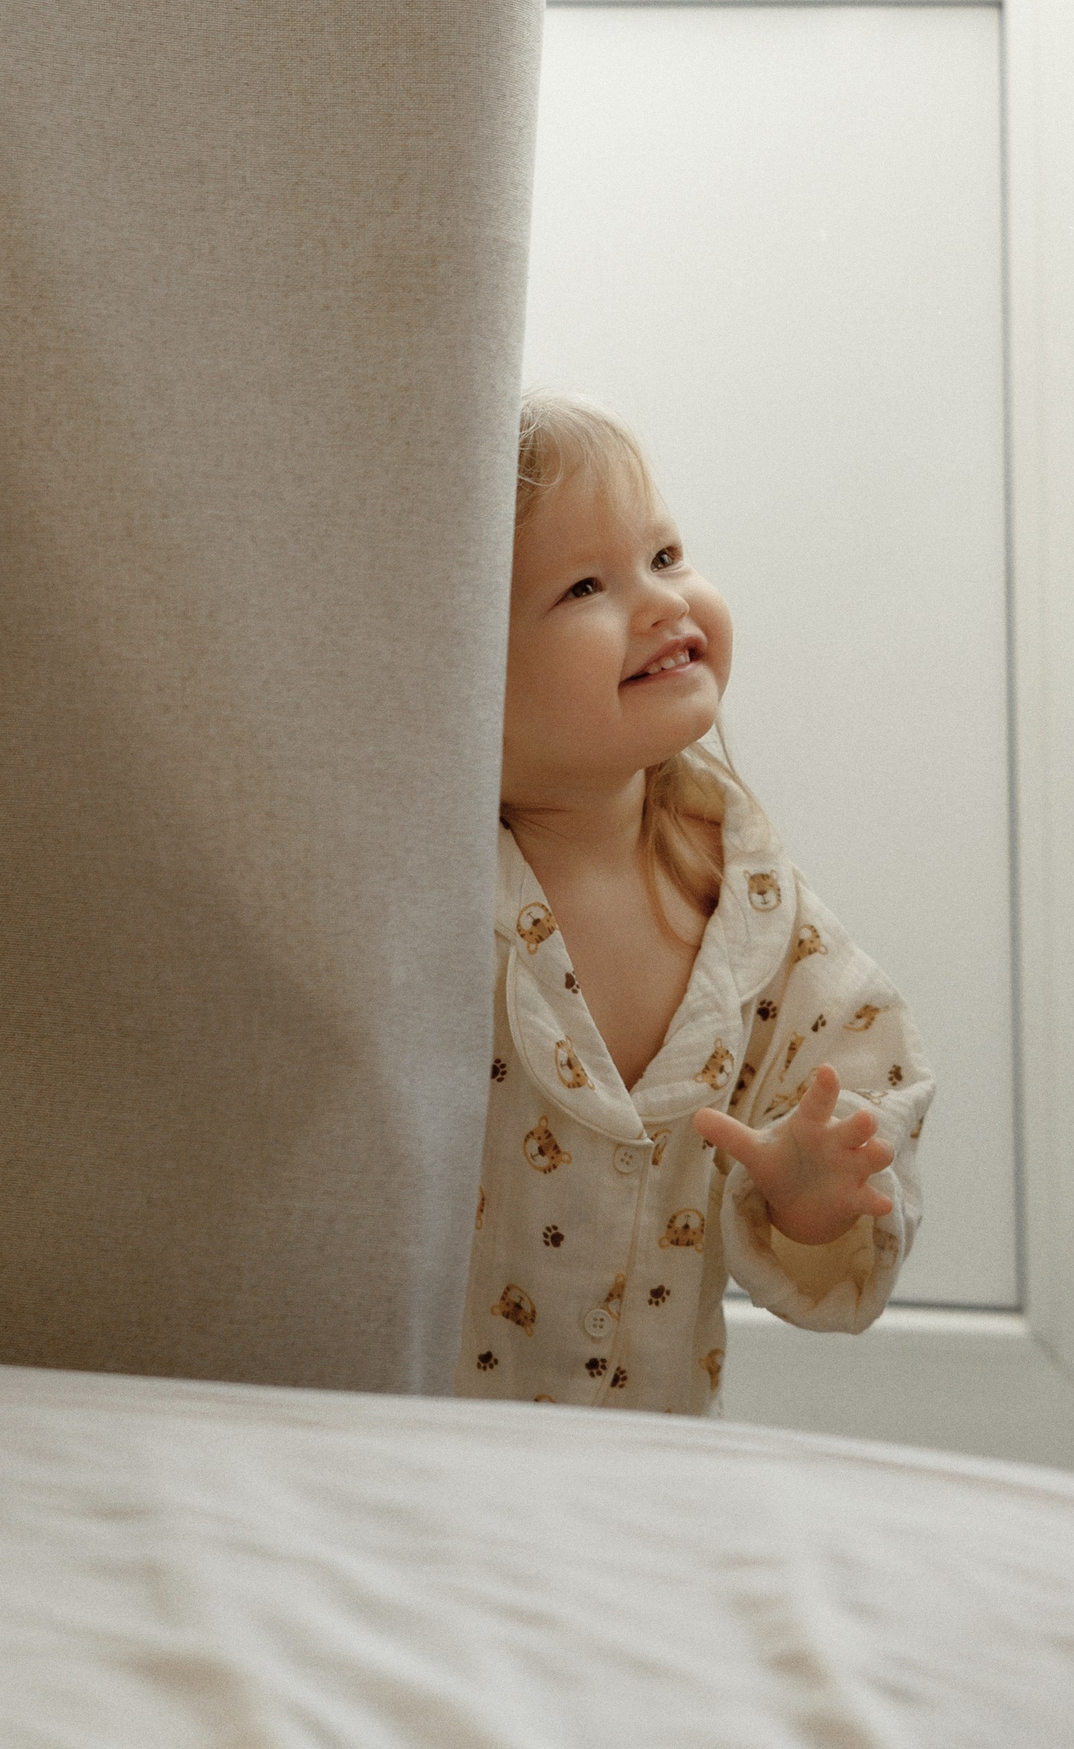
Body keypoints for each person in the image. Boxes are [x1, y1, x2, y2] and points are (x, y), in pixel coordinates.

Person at [457, 390, 933, 1413]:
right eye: (586, 585)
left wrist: (812, 1191)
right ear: (459, 665)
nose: (663, 603)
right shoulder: (432, 894)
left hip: (654, 1446)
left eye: (665, 556)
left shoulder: (750, 900)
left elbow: (861, 1080)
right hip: (433, 1443)